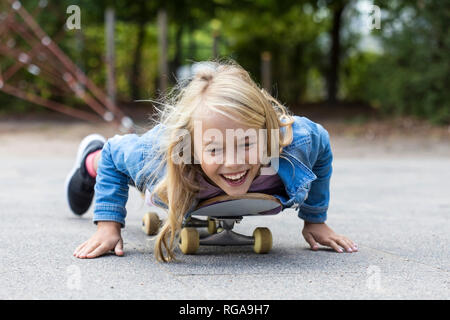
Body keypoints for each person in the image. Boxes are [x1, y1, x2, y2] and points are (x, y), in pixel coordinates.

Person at [66, 60, 358, 262]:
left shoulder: (295, 141)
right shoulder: (158, 156)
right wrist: (108, 225)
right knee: (104, 155)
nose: (233, 163)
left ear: (267, 136)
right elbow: (114, 154)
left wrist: (314, 220)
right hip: (143, 159)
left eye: (246, 143)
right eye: (215, 149)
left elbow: (322, 145)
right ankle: (86, 160)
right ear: (192, 147)